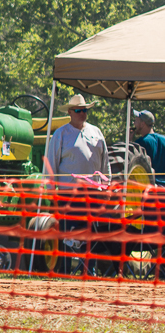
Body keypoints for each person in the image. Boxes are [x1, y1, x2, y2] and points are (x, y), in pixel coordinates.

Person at [43, 94, 109, 275]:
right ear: (70, 112)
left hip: (93, 193)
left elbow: (105, 163)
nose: (82, 113)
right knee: (67, 233)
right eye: (79, 110)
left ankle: (90, 270)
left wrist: (106, 185)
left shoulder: (96, 132)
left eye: (85, 110)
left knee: (92, 232)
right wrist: (51, 192)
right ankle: (65, 270)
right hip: (68, 194)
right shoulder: (61, 134)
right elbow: (51, 164)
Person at [132, 110, 165, 185]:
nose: (134, 123)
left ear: (142, 124)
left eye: (136, 121)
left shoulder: (142, 142)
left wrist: (129, 142)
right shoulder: (163, 139)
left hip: (151, 187)